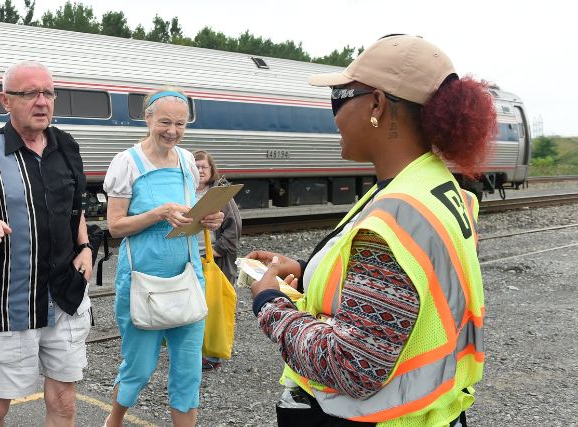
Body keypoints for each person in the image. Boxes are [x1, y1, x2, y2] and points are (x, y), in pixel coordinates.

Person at [248, 35, 492, 427]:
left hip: (383, 418)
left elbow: (352, 366)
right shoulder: (429, 187)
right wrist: (305, 268)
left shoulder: (399, 214)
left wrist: (270, 305)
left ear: (377, 104)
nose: (335, 116)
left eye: (339, 99)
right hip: (430, 410)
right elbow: (400, 287)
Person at [0, 61, 92, 427]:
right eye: (30, 93)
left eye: (48, 93)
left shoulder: (67, 147)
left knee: (64, 404)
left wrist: (85, 247)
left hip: (65, 296)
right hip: (8, 303)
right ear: (5, 100)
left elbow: (75, 208)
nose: (42, 102)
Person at [102, 87, 224, 427]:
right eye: (166, 122)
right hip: (142, 281)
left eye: (181, 124)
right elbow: (115, 227)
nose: (173, 131)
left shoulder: (187, 160)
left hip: (187, 277)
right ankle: (113, 421)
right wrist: (159, 212)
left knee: (188, 371)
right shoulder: (126, 162)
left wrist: (210, 218)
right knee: (138, 368)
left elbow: (189, 215)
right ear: (148, 119)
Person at [192, 149, 242, 371]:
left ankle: (212, 355)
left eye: (204, 167)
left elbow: (234, 229)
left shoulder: (220, 195)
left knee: (214, 308)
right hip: (191, 260)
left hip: (214, 261)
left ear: (211, 170)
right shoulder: (185, 191)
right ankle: (194, 349)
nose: (200, 170)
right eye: (196, 167)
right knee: (193, 307)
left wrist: (217, 250)